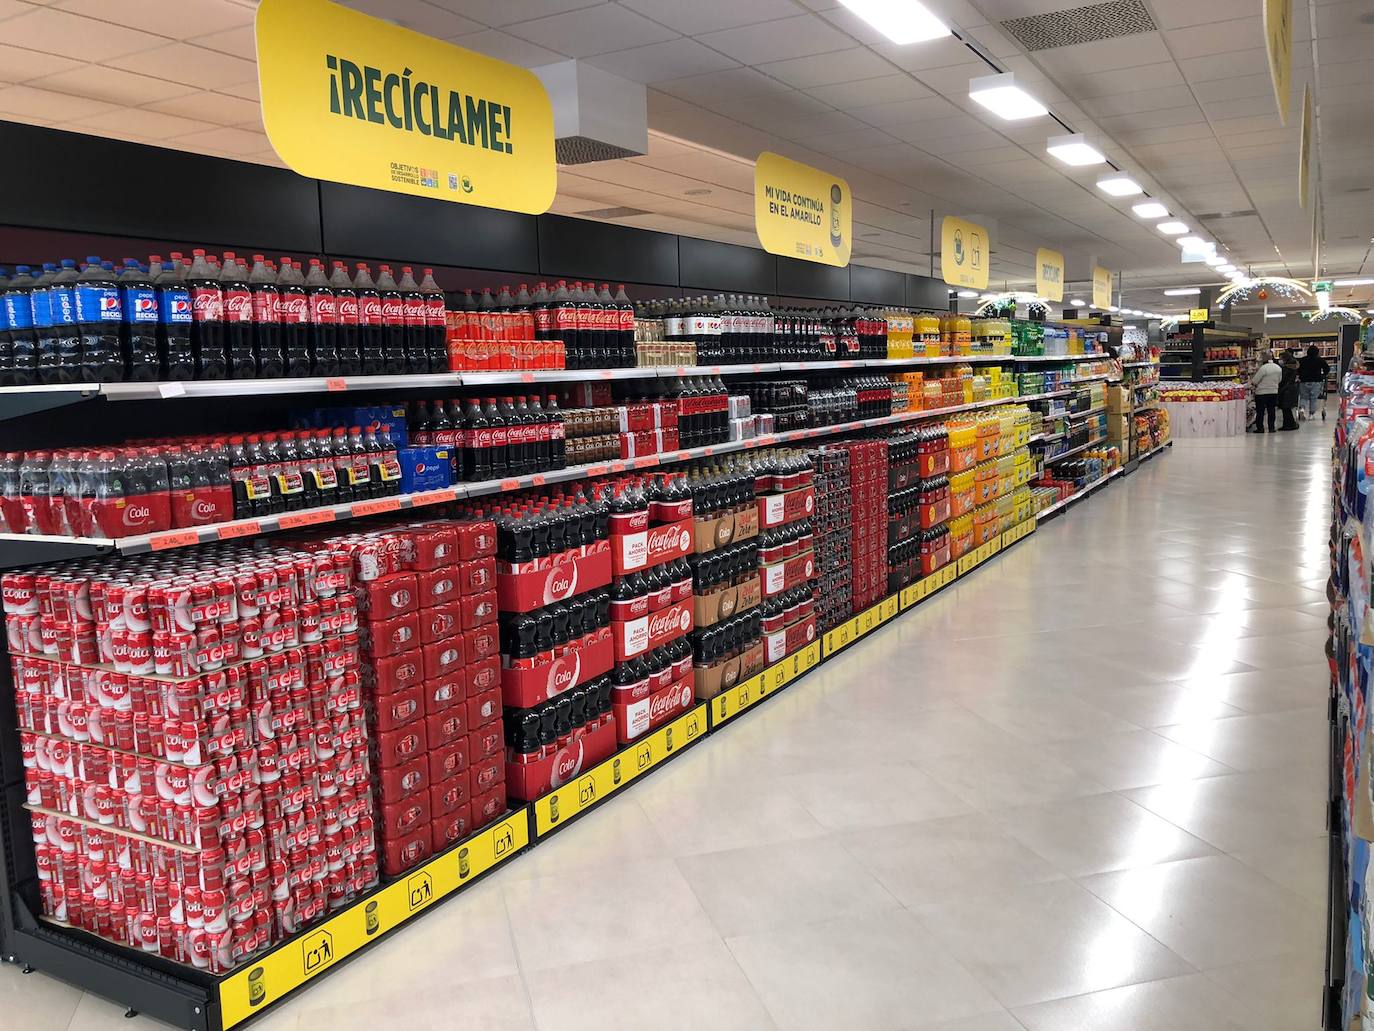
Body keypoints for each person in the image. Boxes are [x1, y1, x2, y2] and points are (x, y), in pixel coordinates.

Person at [1250, 350, 1281, 432]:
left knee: (1260, 411)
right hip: (1274, 392)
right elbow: (1279, 380)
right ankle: (1271, 428)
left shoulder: (1263, 368)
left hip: (1261, 393)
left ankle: (1260, 428)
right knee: (1271, 410)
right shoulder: (1278, 368)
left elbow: (1255, 381)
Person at [1298, 344, 1329, 420]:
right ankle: (1311, 414)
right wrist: (1323, 375)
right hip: (1316, 381)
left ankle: (1302, 409)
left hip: (1304, 381)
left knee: (1303, 397)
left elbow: (1298, 370)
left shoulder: (1302, 360)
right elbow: (1327, 368)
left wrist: (1300, 375)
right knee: (1313, 398)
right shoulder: (1320, 360)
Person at [1277, 348, 1300, 430]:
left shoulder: (1286, 369)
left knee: (1285, 409)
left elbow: (1283, 379)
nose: (1280, 360)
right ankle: (1291, 424)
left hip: (1286, 390)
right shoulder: (1293, 367)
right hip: (1291, 389)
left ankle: (1287, 425)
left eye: (1281, 359)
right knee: (1287, 409)